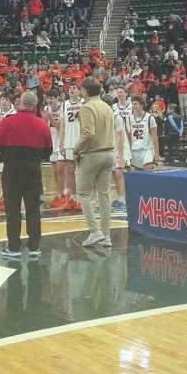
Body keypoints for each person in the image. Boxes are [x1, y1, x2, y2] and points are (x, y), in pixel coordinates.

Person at [0, 91, 52, 259]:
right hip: (33, 172)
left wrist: (0, 156)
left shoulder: (7, 122)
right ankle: (34, 248)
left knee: (12, 210)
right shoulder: (42, 125)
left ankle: (14, 247)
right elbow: (48, 151)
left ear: (19, 103)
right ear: (35, 105)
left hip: (12, 172)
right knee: (33, 210)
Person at [75, 77, 115, 248]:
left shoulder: (87, 108)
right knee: (104, 194)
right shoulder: (107, 107)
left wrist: (76, 149)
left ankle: (94, 231)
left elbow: (88, 133)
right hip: (109, 153)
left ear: (85, 91)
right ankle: (106, 236)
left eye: (81, 89)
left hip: (92, 154)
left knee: (83, 193)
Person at [126, 96, 162, 170]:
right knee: (135, 174)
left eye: (136, 104)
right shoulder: (130, 118)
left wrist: (157, 154)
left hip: (146, 150)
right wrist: (128, 152)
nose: (133, 106)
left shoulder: (150, 118)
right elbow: (129, 137)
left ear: (141, 105)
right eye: (132, 104)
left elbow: (155, 137)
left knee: (147, 173)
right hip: (134, 150)